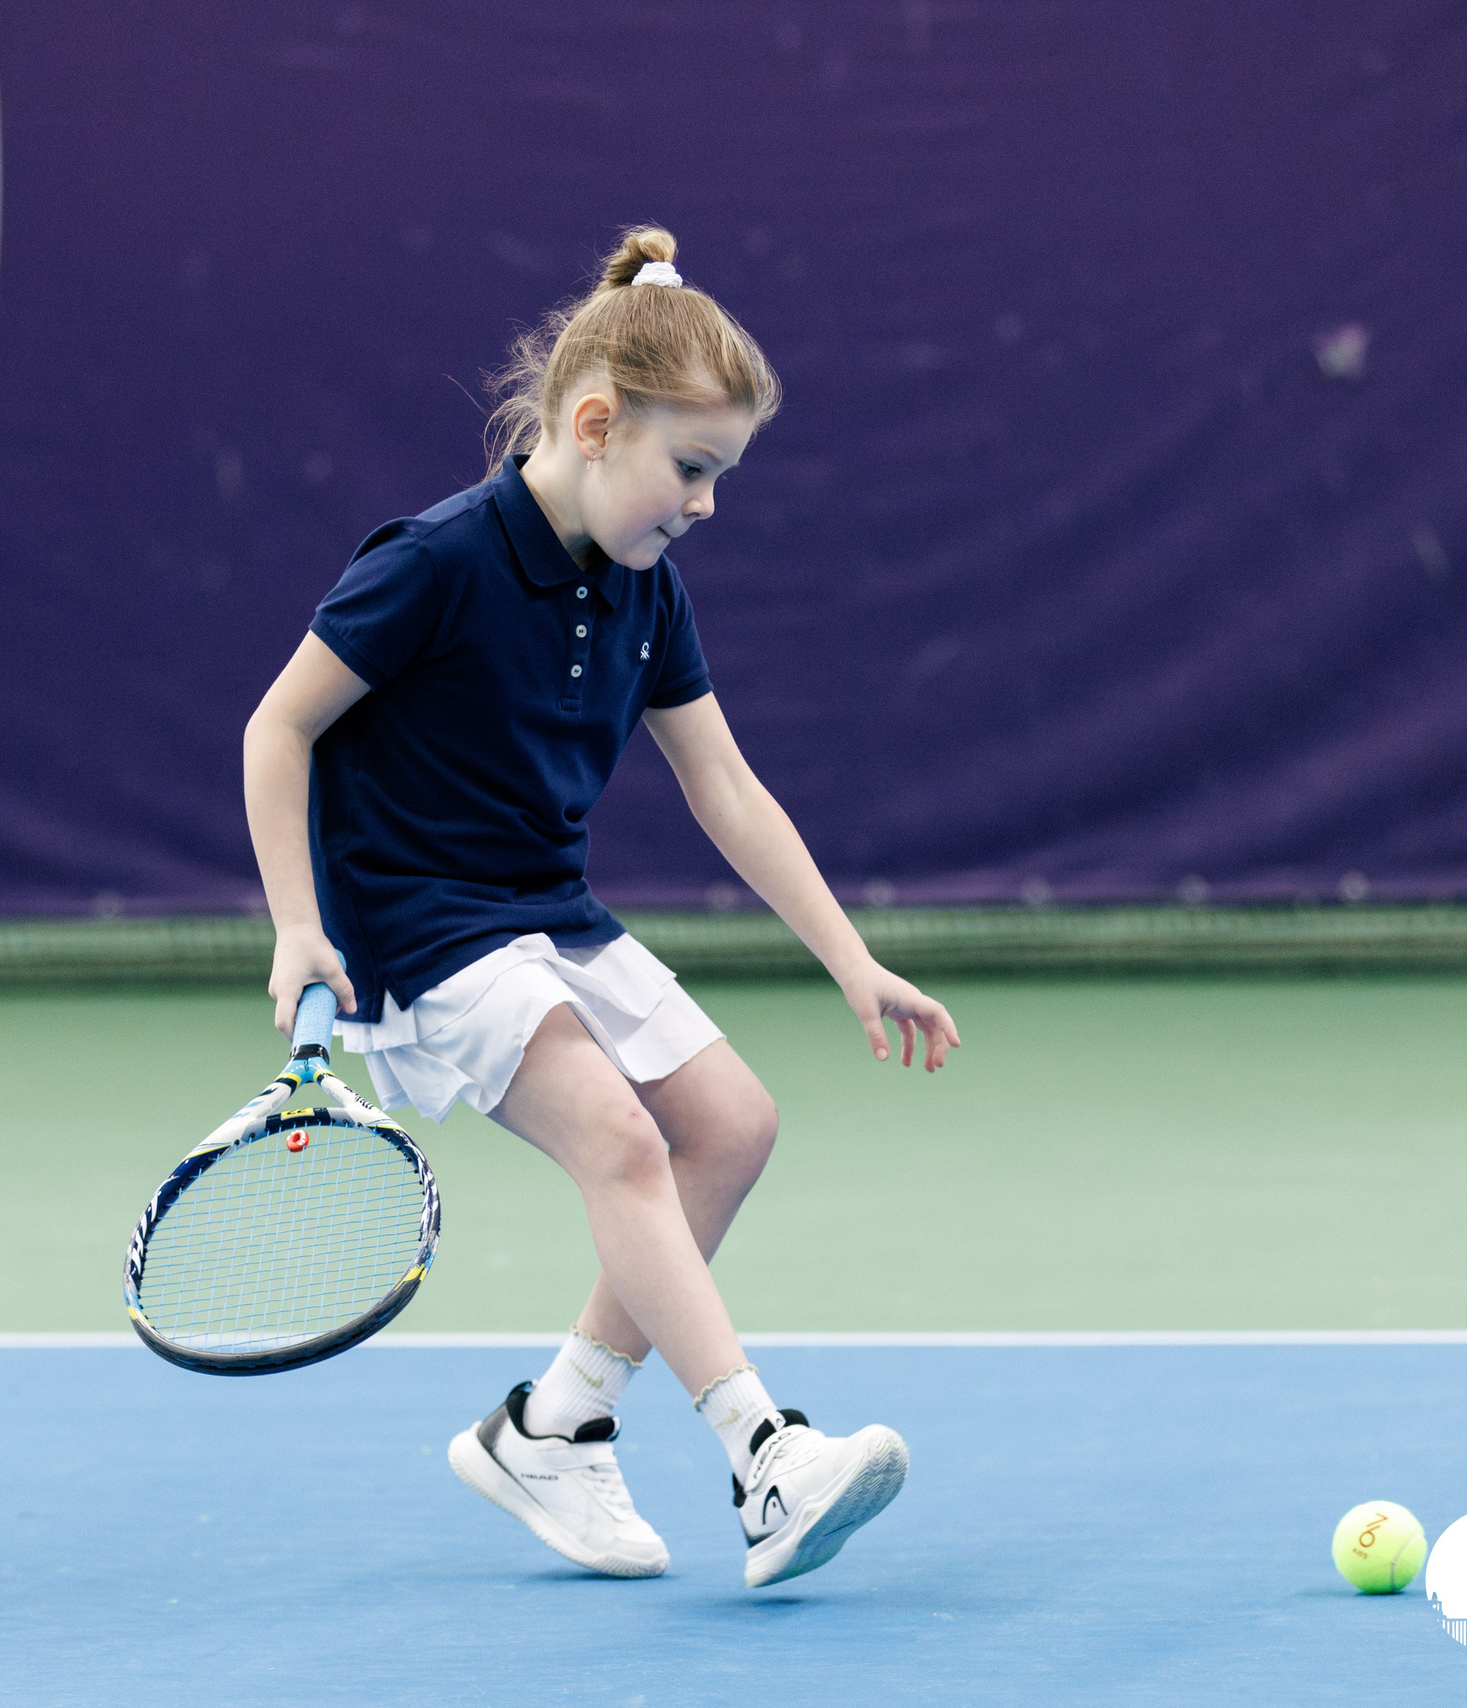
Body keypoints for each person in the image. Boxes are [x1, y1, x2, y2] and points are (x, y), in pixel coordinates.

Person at [240, 226, 960, 1588]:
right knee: (623, 1143)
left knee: (733, 1126)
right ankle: (764, 1456)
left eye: (720, 478)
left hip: (546, 912)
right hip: (423, 928)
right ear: (592, 424)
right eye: (690, 470)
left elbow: (728, 790)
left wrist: (853, 963)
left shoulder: (649, 594)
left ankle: (557, 1425)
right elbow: (278, 730)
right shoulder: (436, 562)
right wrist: (296, 922)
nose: (703, 505)